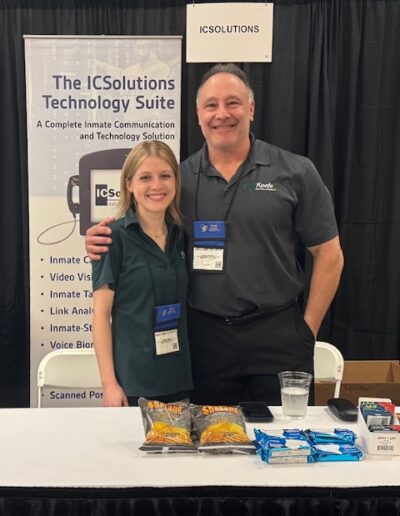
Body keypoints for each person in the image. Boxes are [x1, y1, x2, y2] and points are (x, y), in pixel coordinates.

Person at [87, 64, 344, 406]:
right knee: (210, 435)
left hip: (279, 335)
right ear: (198, 115)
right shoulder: (179, 179)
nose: (222, 114)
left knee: (284, 435)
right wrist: (102, 237)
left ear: (251, 109)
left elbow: (329, 254)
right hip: (205, 342)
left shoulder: (294, 172)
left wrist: (307, 329)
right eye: (211, 105)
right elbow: (144, 222)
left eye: (232, 102)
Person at [91, 140, 192, 407]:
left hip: (179, 377)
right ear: (129, 184)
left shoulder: (181, 235)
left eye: (165, 176)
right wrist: (109, 384)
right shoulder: (112, 238)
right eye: (145, 177)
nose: (156, 185)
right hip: (133, 381)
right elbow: (100, 316)